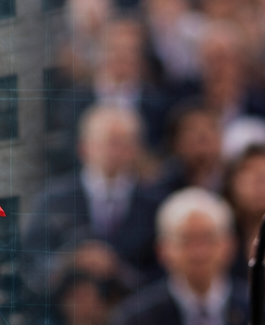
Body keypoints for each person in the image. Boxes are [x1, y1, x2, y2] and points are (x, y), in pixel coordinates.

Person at [105, 187, 265, 325]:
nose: (199, 252)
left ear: (229, 245)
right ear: (162, 250)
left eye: (209, 238)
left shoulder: (264, 315)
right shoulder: (134, 321)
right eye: (186, 240)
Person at [21, 103, 163, 298]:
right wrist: (70, 261)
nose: (113, 151)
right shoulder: (53, 200)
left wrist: (120, 270)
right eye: (106, 142)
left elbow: (162, 269)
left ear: (135, 149)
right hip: (65, 313)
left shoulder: (154, 203)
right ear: (84, 147)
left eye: (122, 143)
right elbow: (31, 258)